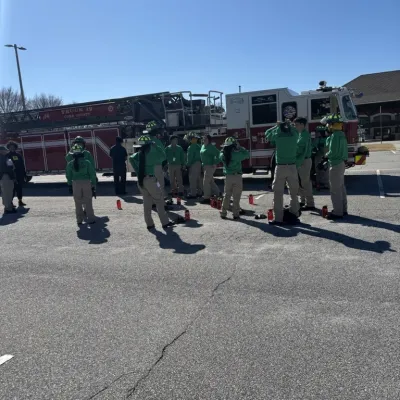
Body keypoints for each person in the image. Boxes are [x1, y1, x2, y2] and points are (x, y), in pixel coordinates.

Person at [129, 135, 174, 230]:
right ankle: (165, 222)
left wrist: (137, 171)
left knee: (147, 203)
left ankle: (149, 224)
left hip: (141, 180)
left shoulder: (139, 154)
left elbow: (131, 158)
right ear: (149, 144)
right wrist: (156, 146)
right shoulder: (152, 154)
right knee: (159, 200)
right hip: (151, 180)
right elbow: (163, 156)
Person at [265, 121, 300, 225]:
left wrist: (276, 126)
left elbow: (267, 133)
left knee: (278, 193)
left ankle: (278, 219)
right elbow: (295, 131)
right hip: (292, 167)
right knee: (294, 193)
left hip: (280, 167)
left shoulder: (277, 136)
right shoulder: (294, 135)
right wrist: (289, 125)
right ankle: (294, 215)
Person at [324, 114, 348, 220]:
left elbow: (333, 152)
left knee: (335, 189)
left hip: (335, 164)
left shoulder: (334, 136)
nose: (327, 126)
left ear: (332, 125)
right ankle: (343, 209)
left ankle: (338, 212)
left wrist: (325, 156)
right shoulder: (342, 134)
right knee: (341, 187)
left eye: (328, 124)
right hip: (341, 163)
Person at [66, 145, 97, 225]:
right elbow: (92, 174)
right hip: (86, 182)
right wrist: (93, 184)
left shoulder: (70, 164)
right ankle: (90, 219)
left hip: (75, 183)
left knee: (78, 202)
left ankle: (79, 220)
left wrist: (69, 185)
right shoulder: (87, 162)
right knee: (88, 202)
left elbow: (68, 176)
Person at [219, 137, 249, 220]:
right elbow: (247, 154)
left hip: (228, 177)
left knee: (227, 196)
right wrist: (240, 147)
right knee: (236, 196)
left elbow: (220, 154)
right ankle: (235, 214)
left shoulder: (222, 155)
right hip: (237, 177)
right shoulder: (237, 155)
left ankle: (223, 213)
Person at [294, 117, 315, 210]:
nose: (295, 127)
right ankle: (302, 201)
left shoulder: (304, 135)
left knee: (305, 183)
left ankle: (310, 203)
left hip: (304, 161)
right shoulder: (300, 134)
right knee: (300, 182)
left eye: (297, 125)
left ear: (302, 125)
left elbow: (299, 148)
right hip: (300, 161)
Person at [145, 121, 167, 199]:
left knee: (151, 184)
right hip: (157, 166)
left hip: (148, 168)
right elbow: (163, 154)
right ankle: (161, 201)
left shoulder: (145, 142)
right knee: (160, 183)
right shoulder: (157, 142)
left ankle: (153, 202)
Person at [200, 134, 220, 204]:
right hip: (205, 166)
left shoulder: (211, 147)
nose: (204, 140)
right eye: (203, 138)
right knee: (211, 181)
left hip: (210, 166)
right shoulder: (202, 146)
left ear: (209, 140)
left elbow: (218, 154)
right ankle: (218, 194)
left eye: (205, 139)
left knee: (205, 181)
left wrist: (215, 162)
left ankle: (207, 198)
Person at [6, 141, 27, 207]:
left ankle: (20, 201)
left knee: (19, 188)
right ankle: (10, 202)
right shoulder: (7, 156)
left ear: (15, 148)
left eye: (13, 147)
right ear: (8, 148)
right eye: (10, 147)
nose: (12, 148)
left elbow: (22, 165)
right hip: (11, 175)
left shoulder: (18, 155)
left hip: (19, 174)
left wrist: (24, 174)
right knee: (12, 189)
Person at [0, 145, 17, 214]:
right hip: (6, 176)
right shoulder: (2, 158)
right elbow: (7, 168)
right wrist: (12, 177)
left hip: (5, 176)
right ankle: (8, 208)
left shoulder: (4, 157)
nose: (6, 151)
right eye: (4, 150)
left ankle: (8, 206)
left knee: (6, 193)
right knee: (7, 193)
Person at [186, 132, 203, 199]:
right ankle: (200, 192)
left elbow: (190, 157)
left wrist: (187, 165)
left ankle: (193, 194)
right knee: (199, 179)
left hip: (193, 164)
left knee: (193, 179)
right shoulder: (199, 146)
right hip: (199, 163)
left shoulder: (190, 147)